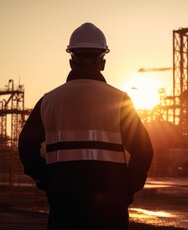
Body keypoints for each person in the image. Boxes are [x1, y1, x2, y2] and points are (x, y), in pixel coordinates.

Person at [18, 22, 153, 230]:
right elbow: (143, 151)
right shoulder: (120, 100)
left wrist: (47, 181)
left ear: (71, 61)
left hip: (64, 210)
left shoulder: (49, 101)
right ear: (103, 62)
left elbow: (26, 147)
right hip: (111, 212)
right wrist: (126, 190)